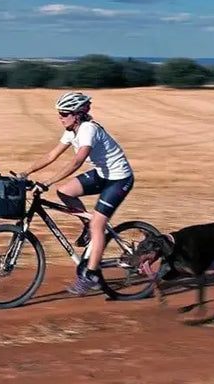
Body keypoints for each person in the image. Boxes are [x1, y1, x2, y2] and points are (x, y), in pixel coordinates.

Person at [19, 92, 134, 295]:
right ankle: (88, 228)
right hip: (102, 174)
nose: (60, 117)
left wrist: (47, 181)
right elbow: (51, 155)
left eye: (64, 113)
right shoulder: (71, 131)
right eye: (59, 113)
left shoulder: (88, 129)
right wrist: (25, 173)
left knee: (98, 224)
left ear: (78, 114)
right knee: (64, 192)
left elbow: (77, 161)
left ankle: (92, 275)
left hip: (119, 179)